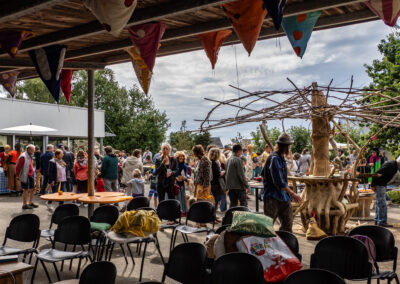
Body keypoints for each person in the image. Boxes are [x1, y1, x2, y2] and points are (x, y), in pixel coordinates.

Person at [262, 133, 302, 232]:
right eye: (289, 146)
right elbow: (279, 182)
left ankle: (284, 243)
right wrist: (293, 194)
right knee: (267, 227)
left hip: (283, 197)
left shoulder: (281, 158)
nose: (290, 148)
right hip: (272, 197)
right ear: (285, 147)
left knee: (287, 225)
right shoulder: (274, 158)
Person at [370, 156, 400, 228]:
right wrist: (373, 185)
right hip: (379, 185)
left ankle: (377, 220)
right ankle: (382, 221)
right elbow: (376, 173)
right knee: (382, 204)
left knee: (379, 203)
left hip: (382, 185)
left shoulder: (395, 166)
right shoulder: (390, 165)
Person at [16, 144, 38, 209]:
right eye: (33, 150)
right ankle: (24, 204)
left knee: (32, 189)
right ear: (29, 149)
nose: (34, 152)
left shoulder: (29, 155)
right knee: (25, 190)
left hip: (30, 174)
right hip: (25, 175)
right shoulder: (23, 156)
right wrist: (17, 175)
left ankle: (30, 203)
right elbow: (18, 167)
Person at [175, 151, 189, 215]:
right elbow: (173, 173)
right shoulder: (175, 165)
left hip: (182, 184)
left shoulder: (185, 166)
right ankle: (178, 211)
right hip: (175, 183)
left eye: (183, 156)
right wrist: (175, 178)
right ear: (177, 157)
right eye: (180, 156)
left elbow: (185, 176)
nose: (181, 157)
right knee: (177, 198)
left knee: (183, 197)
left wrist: (184, 177)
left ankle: (184, 211)